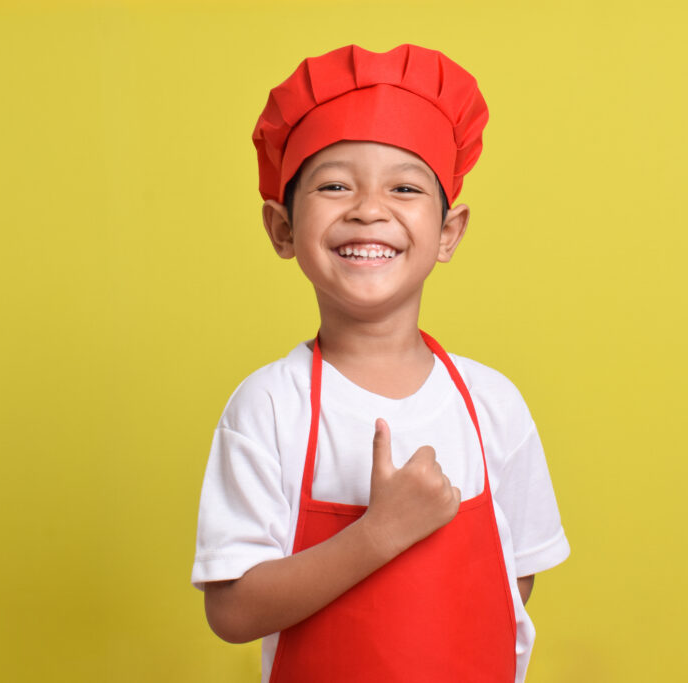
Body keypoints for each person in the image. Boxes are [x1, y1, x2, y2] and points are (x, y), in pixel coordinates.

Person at [192, 44, 570, 683]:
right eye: (336, 185)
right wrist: (379, 535)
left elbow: (516, 576)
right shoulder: (270, 406)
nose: (369, 208)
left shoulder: (491, 404)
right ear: (283, 229)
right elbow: (231, 610)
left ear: (449, 231)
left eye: (404, 186)